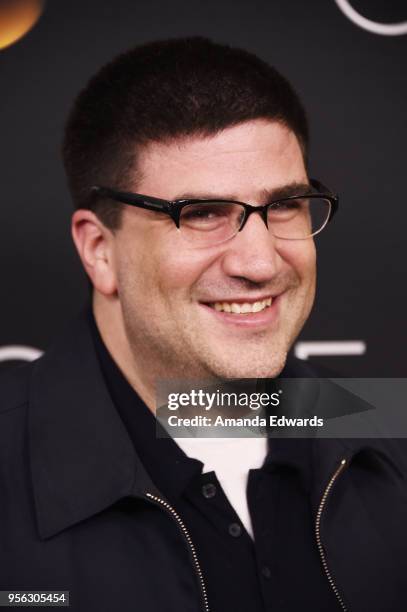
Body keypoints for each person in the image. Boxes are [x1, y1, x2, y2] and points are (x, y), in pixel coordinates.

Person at [1, 36, 406, 612]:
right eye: (203, 214)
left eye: (286, 204)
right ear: (99, 251)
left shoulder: (389, 434)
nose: (261, 262)